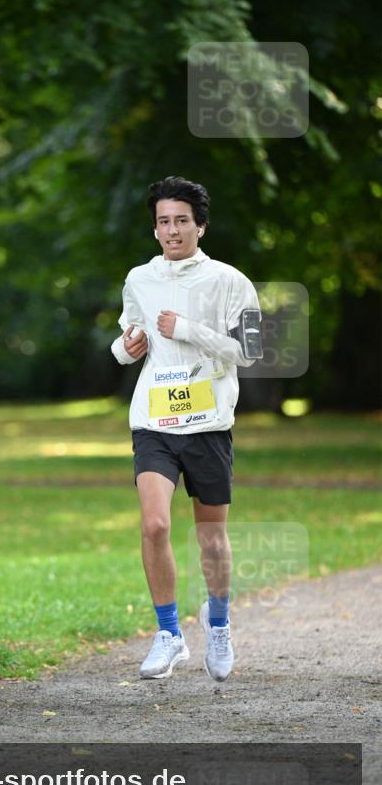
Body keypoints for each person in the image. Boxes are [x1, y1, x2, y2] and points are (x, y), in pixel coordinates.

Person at [111, 175, 261, 682]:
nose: (172, 230)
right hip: (153, 420)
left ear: (200, 225)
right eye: (163, 222)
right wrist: (125, 349)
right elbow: (128, 334)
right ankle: (169, 634)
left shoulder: (230, 281)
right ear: (154, 229)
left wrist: (190, 330)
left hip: (208, 422)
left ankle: (217, 624)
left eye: (180, 220)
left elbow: (251, 351)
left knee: (211, 536)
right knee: (154, 524)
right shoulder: (139, 279)